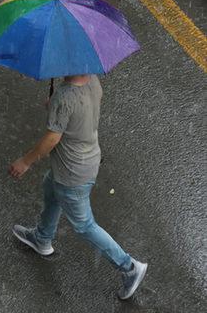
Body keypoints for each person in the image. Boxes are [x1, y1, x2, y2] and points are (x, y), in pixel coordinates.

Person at [8, 74, 148, 300]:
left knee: (84, 224)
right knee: (51, 187)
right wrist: (55, 108)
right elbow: (79, 113)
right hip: (86, 159)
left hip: (72, 172)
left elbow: (52, 139)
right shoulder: (92, 81)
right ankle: (42, 238)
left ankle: (129, 267)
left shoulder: (64, 96)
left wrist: (26, 161)